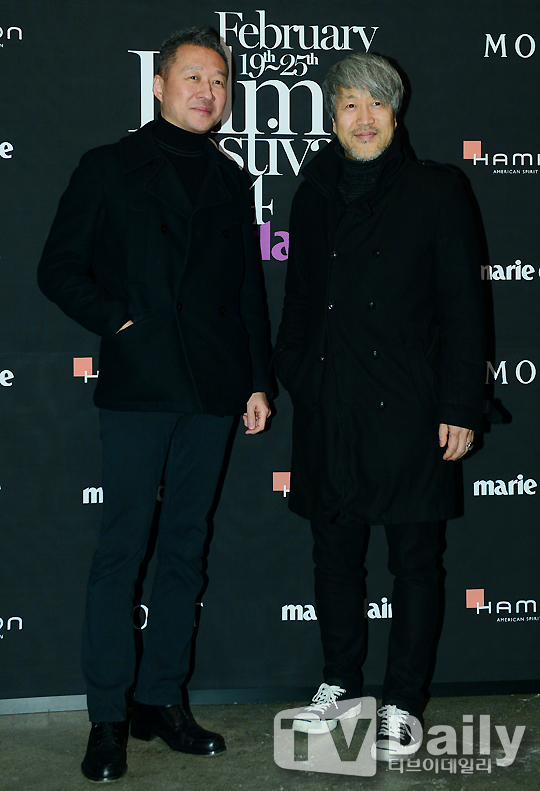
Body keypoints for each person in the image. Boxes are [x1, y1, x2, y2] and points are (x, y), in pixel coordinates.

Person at [38, 26, 272, 783]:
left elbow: (247, 289)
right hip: (140, 386)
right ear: (160, 84)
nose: (209, 91)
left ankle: (162, 700)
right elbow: (57, 267)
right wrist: (121, 322)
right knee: (121, 551)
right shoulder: (108, 166)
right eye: (194, 76)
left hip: (213, 390)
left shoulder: (232, 178)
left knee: (185, 548)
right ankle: (108, 716)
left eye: (220, 81)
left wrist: (257, 380)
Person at [273, 52, 485, 761]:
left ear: (397, 113)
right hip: (331, 406)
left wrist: (460, 403)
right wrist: (298, 373)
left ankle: (401, 701)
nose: (363, 119)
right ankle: (339, 683)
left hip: (411, 409)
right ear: (332, 117)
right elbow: (299, 301)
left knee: (415, 562)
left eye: (376, 104)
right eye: (349, 105)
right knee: (334, 558)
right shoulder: (313, 193)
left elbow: (464, 309)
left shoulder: (437, 190)